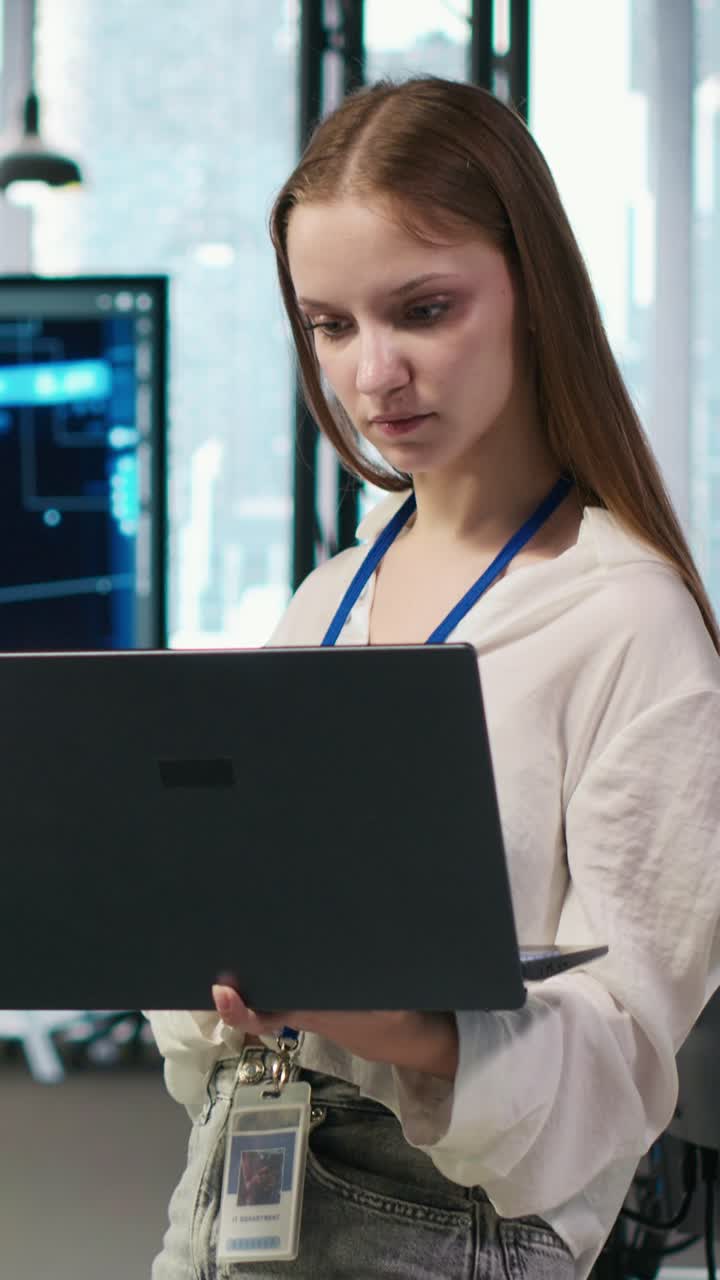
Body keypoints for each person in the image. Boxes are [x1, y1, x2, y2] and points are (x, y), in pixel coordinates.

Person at [148, 76, 720, 1279]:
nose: (373, 375)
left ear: (532, 294)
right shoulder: (330, 595)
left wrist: (380, 1014)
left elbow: (621, 1071)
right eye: (331, 324)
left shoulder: (630, 625)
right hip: (235, 1191)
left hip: (446, 1232)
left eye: (422, 308)